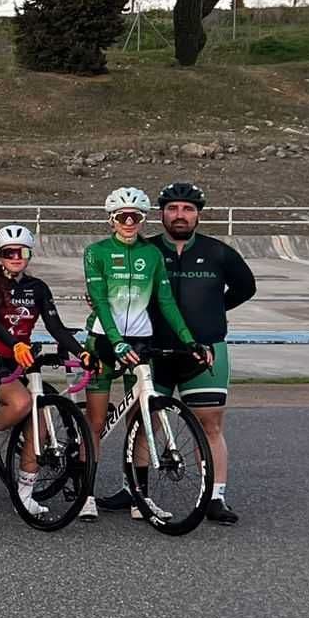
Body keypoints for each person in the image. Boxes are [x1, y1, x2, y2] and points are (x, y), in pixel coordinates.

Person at [79, 187, 208, 522]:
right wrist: (116, 342)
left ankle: (140, 497)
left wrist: (189, 340)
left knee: (142, 420)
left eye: (135, 217)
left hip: (141, 342)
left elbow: (165, 302)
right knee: (94, 423)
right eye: (122, 216)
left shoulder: (151, 254)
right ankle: (85, 494)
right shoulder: (96, 252)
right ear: (111, 220)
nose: (129, 222)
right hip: (104, 343)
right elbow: (101, 302)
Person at [153, 179, 256, 524]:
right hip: (155, 349)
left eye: (187, 209)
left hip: (206, 351)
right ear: (161, 213)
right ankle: (131, 487)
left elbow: (246, 287)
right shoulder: (146, 251)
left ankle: (215, 496)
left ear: (198, 215)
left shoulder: (217, 252)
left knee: (209, 425)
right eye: (172, 209)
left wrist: (215, 310)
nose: (179, 215)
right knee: (147, 421)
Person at [0, 223, 85, 518]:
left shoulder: (38, 288)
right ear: (0, 256)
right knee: (21, 403)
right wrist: (14, 344)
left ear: (29, 254)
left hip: (23, 361)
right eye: (9, 252)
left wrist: (81, 352)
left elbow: (56, 327)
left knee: (41, 424)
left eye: (21, 251)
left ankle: (24, 495)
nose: (15, 256)